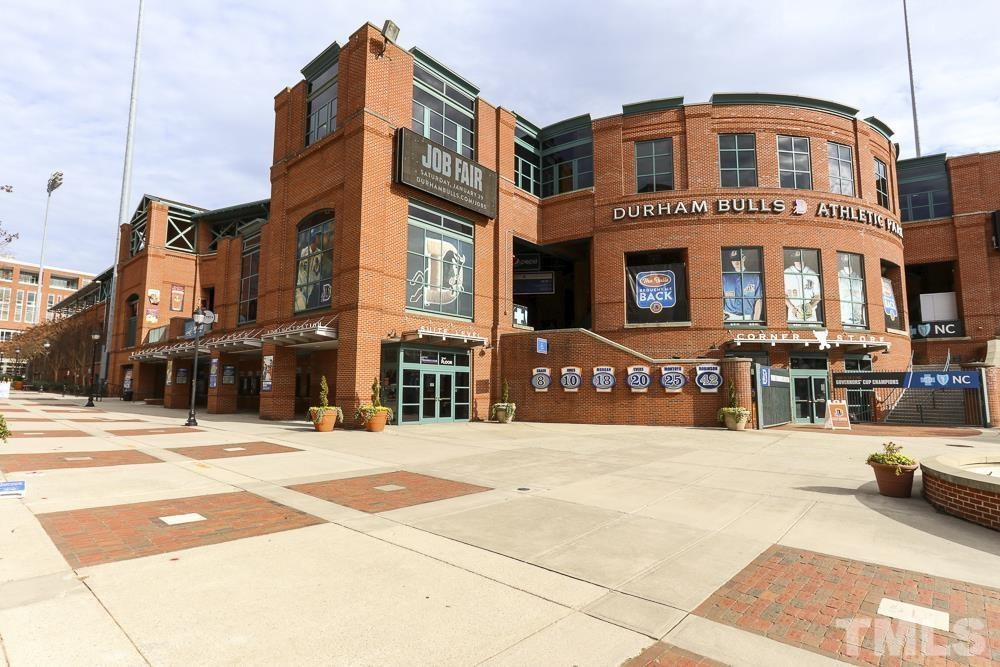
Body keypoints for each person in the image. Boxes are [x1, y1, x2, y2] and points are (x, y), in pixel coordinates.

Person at [722, 249, 762, 321]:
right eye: (733, 260)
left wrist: (755, 320)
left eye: (738, 259)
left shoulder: (754, 277)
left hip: (747, 316)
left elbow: (758, 300)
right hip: (729, 315)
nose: (736, 262)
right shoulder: (725, 277)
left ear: (744, 258)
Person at [784, 250, 821, 322]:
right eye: (796, 257)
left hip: (810, 314)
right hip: (794, 313)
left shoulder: (812, 274)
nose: (799, 260)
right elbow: (783, 295)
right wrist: (792, 308)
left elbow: (818, 296)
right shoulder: (786, 273)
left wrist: (810, 306)